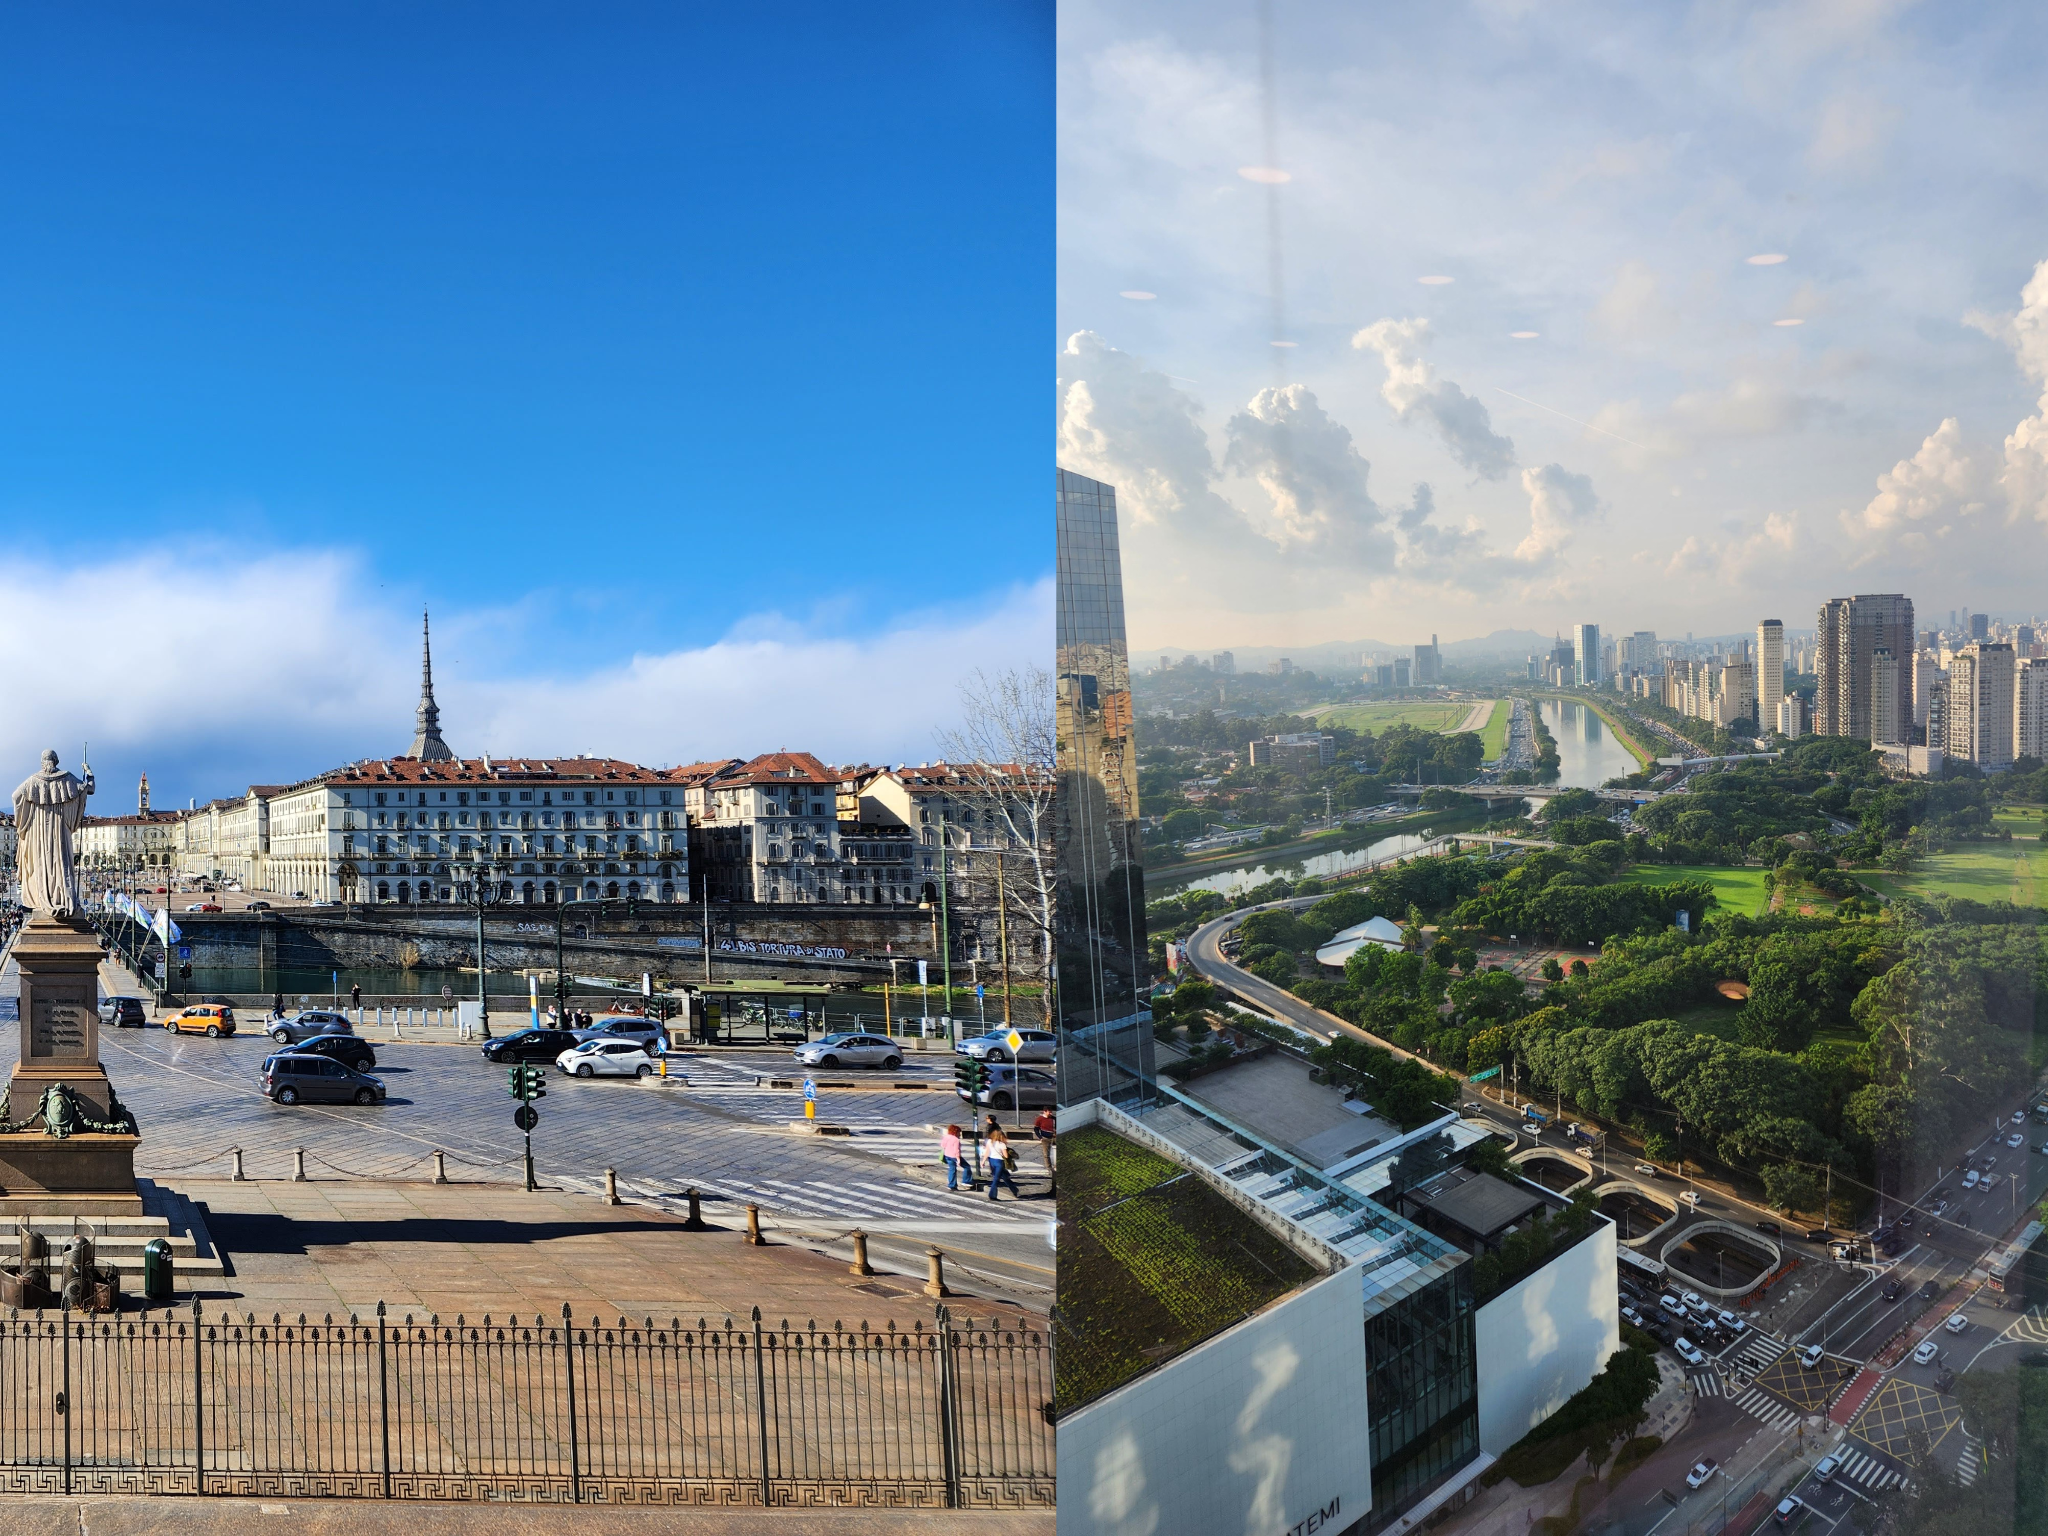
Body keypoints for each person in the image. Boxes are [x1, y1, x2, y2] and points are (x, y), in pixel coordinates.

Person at [985, 1127, 1021, 1201]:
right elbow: (1006, 1156)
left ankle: (1014, 1190)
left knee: (1005, 1177)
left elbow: (987, 1152)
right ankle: (992, 1195)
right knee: (996, 1179)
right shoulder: (1002, 1144)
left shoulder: (989, 1141)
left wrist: (983, 1161)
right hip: (999, 1162)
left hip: (992, 1161)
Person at [1033, 1107, 1056, 1190]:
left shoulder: (1053, 1119)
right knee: (1046, 1154)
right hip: (1045, 1138)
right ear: (1045, 1112)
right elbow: (1036, 1129)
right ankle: (1049, 1168)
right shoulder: (1039, 1119)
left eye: (1051, 1112)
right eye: (1049, 1112)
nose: (1051, 1113)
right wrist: (1040, 1137)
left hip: (1054, 1137)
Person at [940, 1124, 965, 1191]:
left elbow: (942, 1145)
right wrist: (958, 1159)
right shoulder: (956, 1140)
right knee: (967, 1167)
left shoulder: (946, 1137)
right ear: (956, 1132)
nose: (959, 1134)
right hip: (954, 1156)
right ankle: (967, 1181)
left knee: (952, 1170)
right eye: (959, 1132)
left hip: (947, 1155)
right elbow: (957, 1150)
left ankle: (952, 1185)